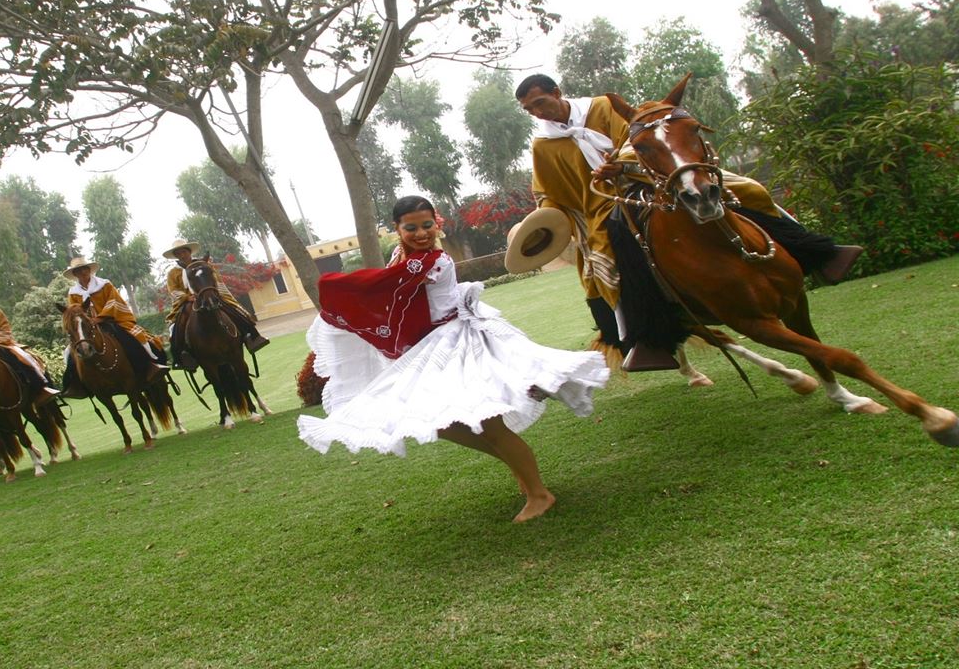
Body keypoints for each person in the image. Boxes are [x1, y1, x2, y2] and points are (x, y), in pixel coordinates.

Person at [513, 73, 862, 370]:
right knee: (605, 265)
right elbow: (546, 189)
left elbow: (644, 133)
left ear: (557, 93)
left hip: (651, 175)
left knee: (750, 189)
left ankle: (819, 254)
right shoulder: (542, 144)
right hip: (606, 203)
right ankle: (641, 338)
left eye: (540, 103)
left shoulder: (602, 107)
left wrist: (619, 162)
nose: (537, 112)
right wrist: (548, 213)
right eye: (529, 110)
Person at [297, 196, 610, 523]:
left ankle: (539, 494)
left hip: (458, 344)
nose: (421, 233)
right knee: (442, 424)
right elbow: (392, 289)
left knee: (489, 422)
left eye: (427, 225)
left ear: (438, 223)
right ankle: (519, 469)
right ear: (396, 229)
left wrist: (336, 288)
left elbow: (383, 286)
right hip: (433, 347)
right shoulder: (403, 257)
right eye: (411, 227)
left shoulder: (432, 262)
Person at [61, 256, 168, 398]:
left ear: (89, 270)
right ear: (75, 274)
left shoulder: (105, 284)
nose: (82, 273)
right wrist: (86, 322)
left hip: (111, 321)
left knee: (137, 337)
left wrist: (99, 318)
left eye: (84, 269)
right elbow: (73, 311)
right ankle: (75, 385)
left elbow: (114, 302)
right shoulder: (73, 293)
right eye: (78, 271)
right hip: (87, 328)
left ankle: (151, 365)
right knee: (69, 352)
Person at [163, 238, 270, 371]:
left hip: (209, 295)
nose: (182, 255)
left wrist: (214, 292)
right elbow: (172, 290)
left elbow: (216, 280)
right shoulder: (173, 273)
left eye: (184, 251)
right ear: (175, 256)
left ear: (189, 251)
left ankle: (252, 337)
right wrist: (186, 297)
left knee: (236, 311)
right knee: (174, 327)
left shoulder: (204, 264)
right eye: (178, 253)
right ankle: (181, 357)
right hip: (188, 301)